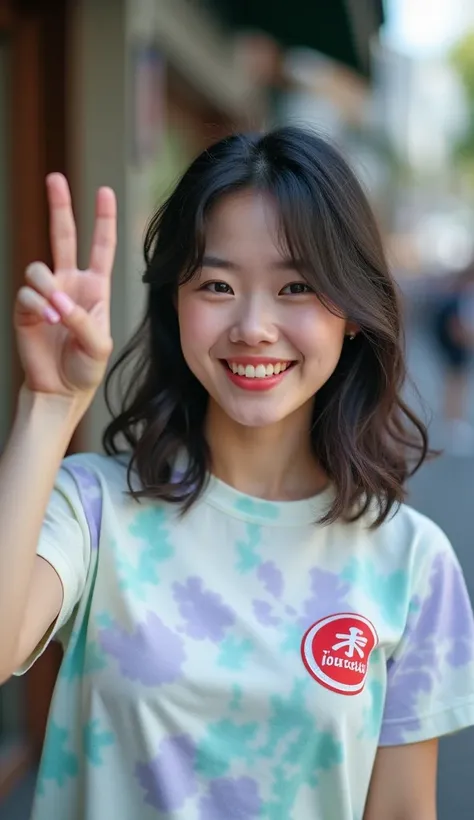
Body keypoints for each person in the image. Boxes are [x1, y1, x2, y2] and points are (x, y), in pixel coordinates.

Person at [1, 127, 473, 820]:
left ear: (351, 313)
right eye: (217, 284)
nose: (253, 326)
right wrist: (48, 404)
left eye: (297, 287)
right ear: (175, 305)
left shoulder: (414, 562)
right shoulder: (95, 507)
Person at [431, 264, 474, 454]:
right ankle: (453, 422)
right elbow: (458, 326)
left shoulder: (458, 293)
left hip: (454, 346)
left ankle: (453, 421)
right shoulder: (462, 295)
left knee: (456, 384)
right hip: (456, 348)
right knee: (456, 384)